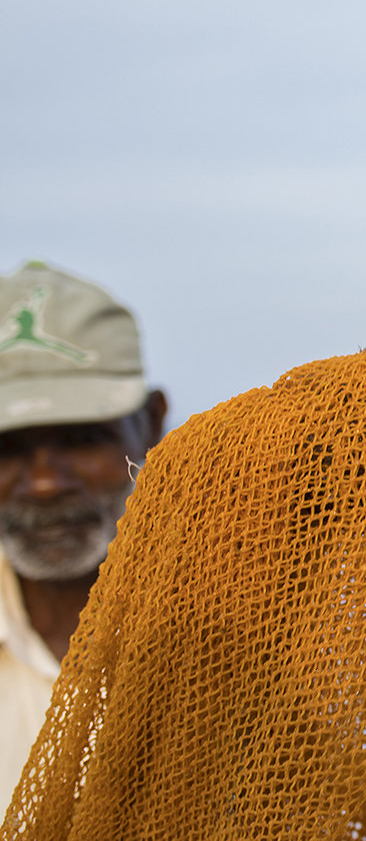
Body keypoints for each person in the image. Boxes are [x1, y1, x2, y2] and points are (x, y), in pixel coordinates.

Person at [0, 262, 166, 804]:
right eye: (7, 449)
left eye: (80, 439)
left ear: (153, 422)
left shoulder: (261, 627)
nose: (45, 483)